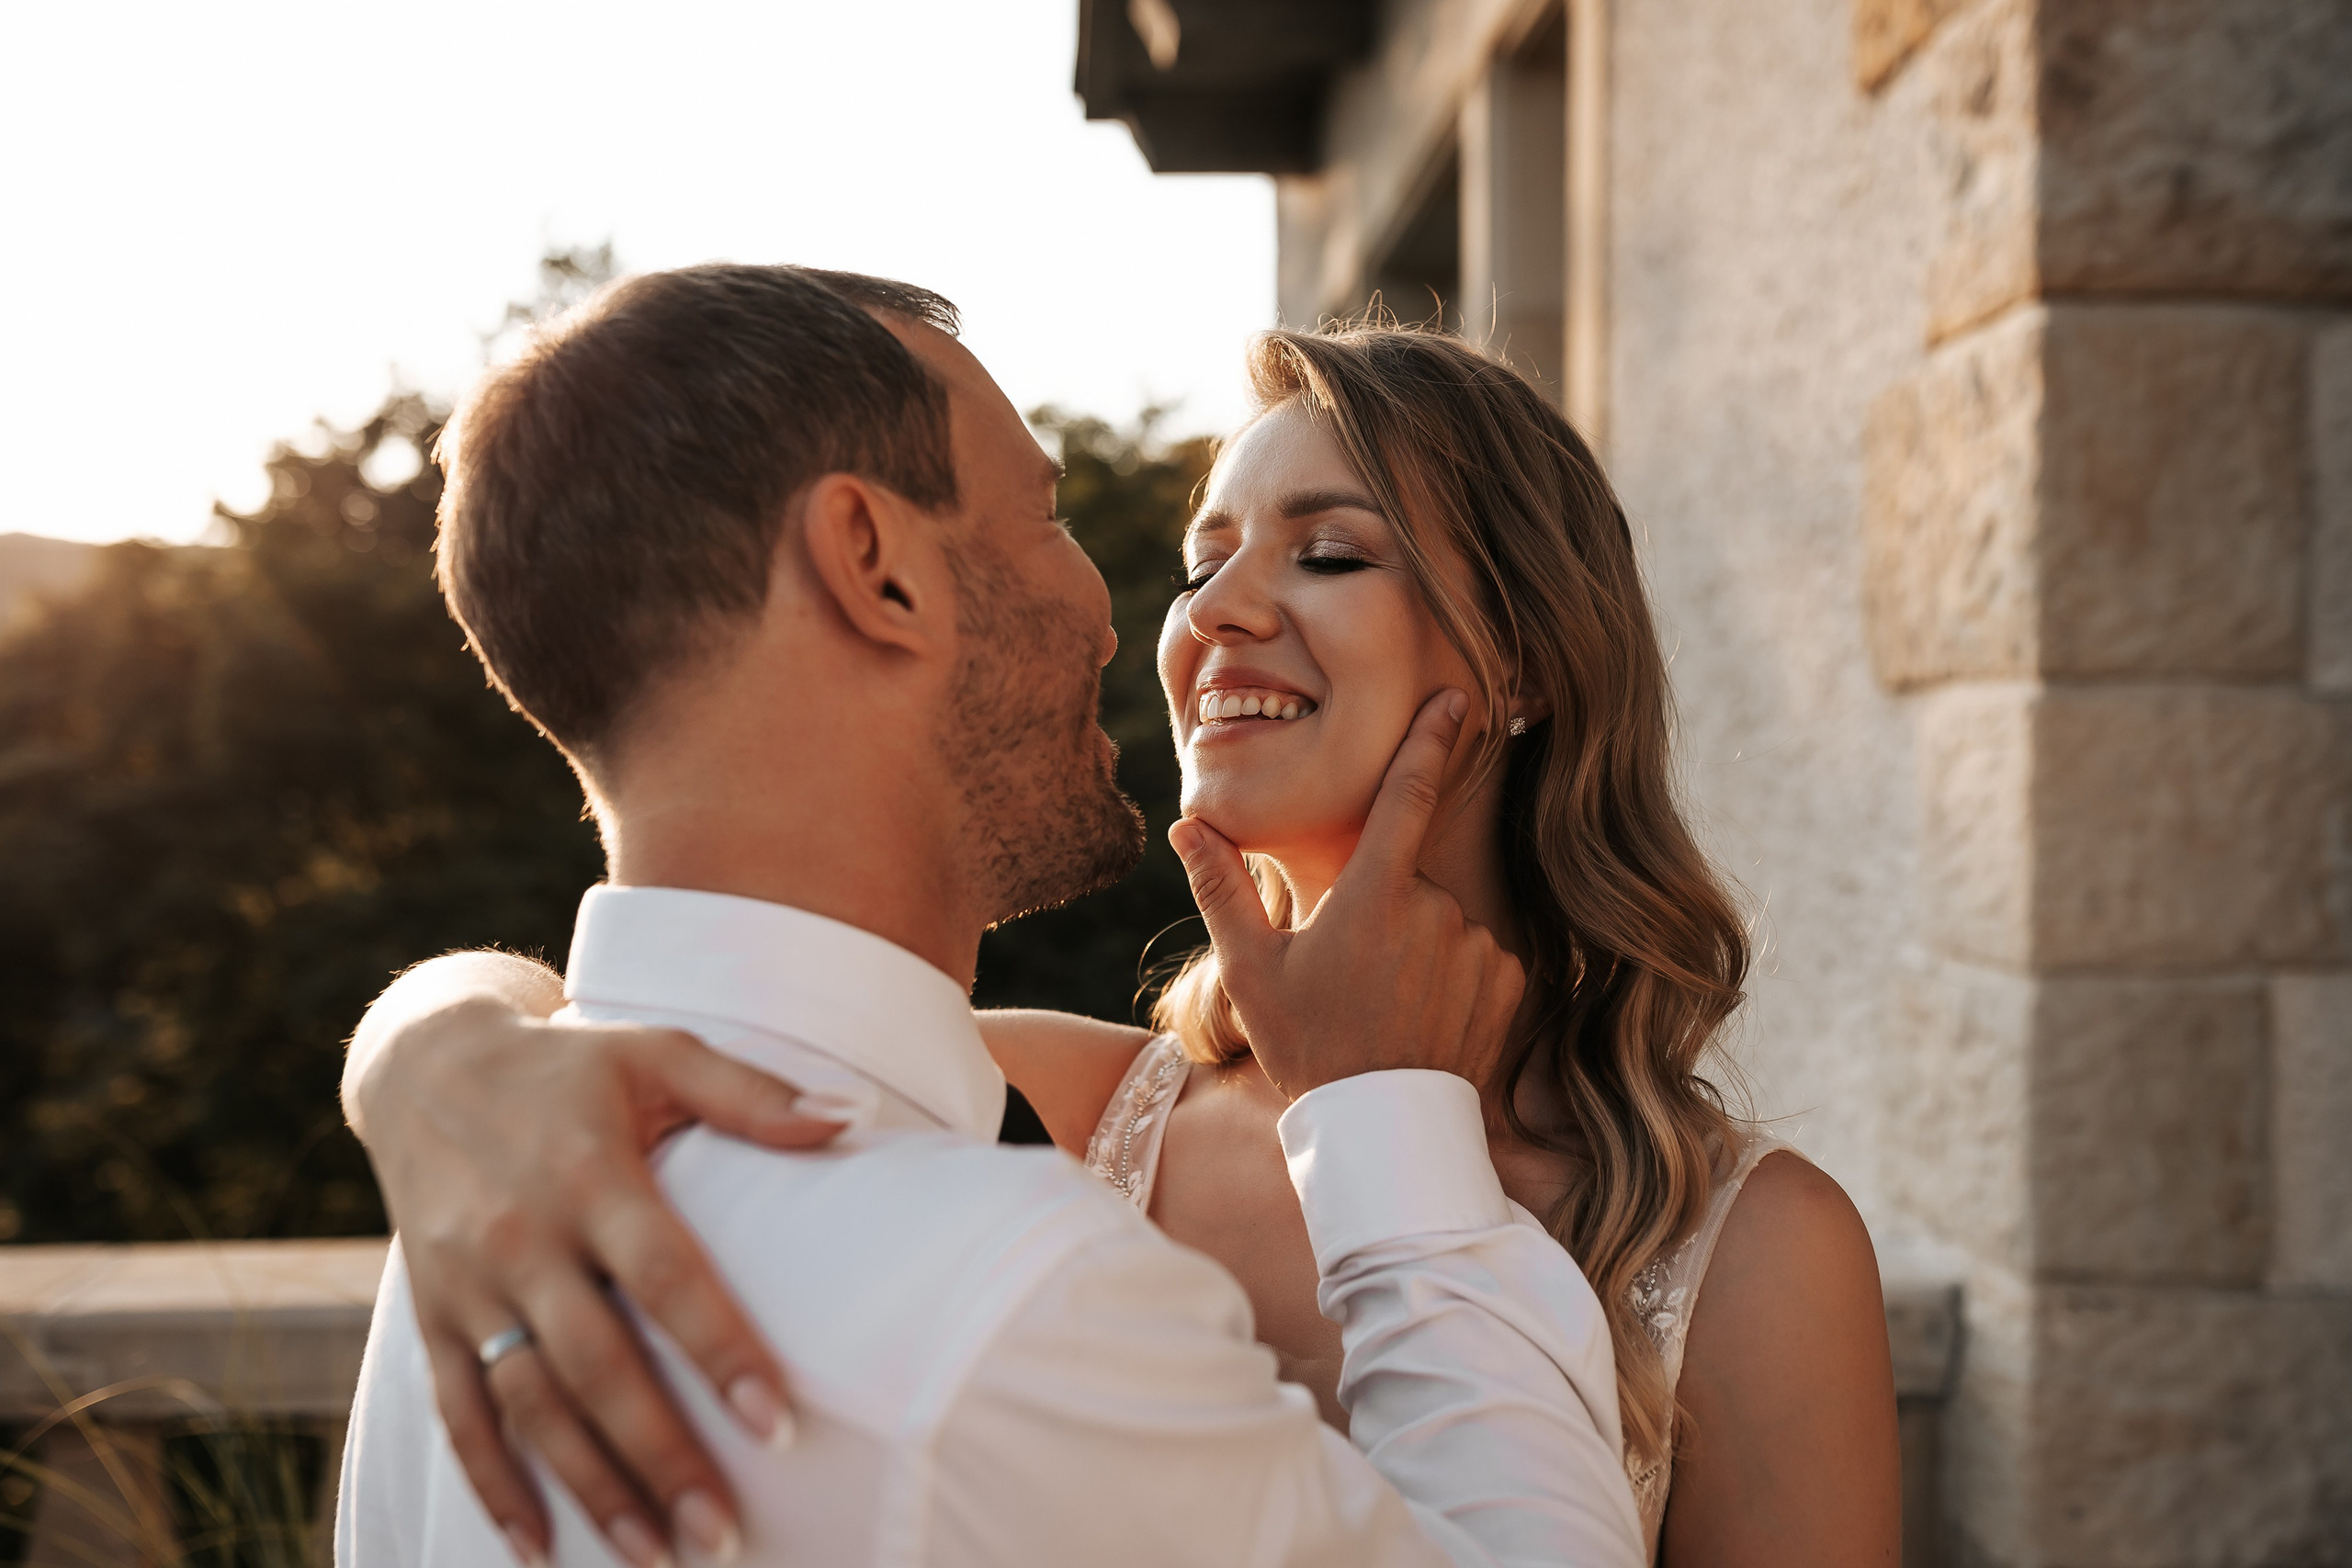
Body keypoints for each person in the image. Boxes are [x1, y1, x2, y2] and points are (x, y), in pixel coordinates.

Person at [345, 307, 1903, 1567]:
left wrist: (424, 1046)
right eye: (1198, 558)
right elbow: (688, 1039)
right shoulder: (1034, 1114)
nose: (1200, 612)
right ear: (869, 566)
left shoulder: (1753, 1254)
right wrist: (448, 1045)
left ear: (1526, 657)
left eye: (1328, 550)